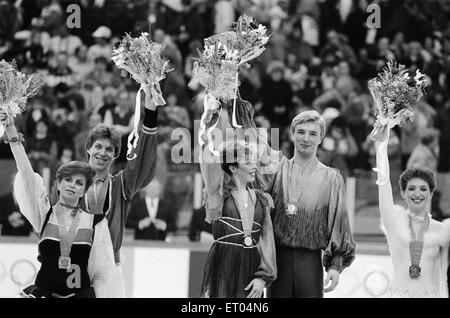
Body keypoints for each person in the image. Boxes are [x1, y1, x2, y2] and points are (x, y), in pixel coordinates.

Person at [0, 112, 115, 298]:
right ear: (59, 185)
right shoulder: (44, 214)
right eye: (68, 180)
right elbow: (28, 178)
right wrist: (14, 138)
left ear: (84, 191)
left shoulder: (95, 222)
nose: (72, 185)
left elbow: (101, 275)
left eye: (79, 183)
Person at [263, 110, 355, 298]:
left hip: (310, 262)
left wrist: (335, 266)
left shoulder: (332, 179)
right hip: (276, 262)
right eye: (301, 132)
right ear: (292, 133)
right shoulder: (275, 170)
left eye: (313, 133)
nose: (306, 138)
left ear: (321, 137)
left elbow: (340, 226)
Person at [80, 90, 159, 297]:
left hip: (110, 270)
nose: (102, 153)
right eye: (98, 147)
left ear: (115, 155)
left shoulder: (121, 185)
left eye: (109, 149)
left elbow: (143, 159)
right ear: (88, 148)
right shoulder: (71, 183)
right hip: (75, 268)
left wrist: (150, 111)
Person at [375, 123, 450, 298]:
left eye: (423, 189)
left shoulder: (441, 230)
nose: (417, 194)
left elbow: (442, 278)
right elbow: (383, 181)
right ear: (402, 193)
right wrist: (382, 141)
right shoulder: (394, 223)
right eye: (411, 189)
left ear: (431, 193)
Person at [200, 140, 277, 298]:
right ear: (233, 168)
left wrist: (263, 277)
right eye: (248, 162)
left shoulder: (262, 199)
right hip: (222, 263)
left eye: (254, 161)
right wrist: (207, 133)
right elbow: (209, 168)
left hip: (251, 265)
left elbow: (267, 239)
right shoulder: (218, 196)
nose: (254, 166)